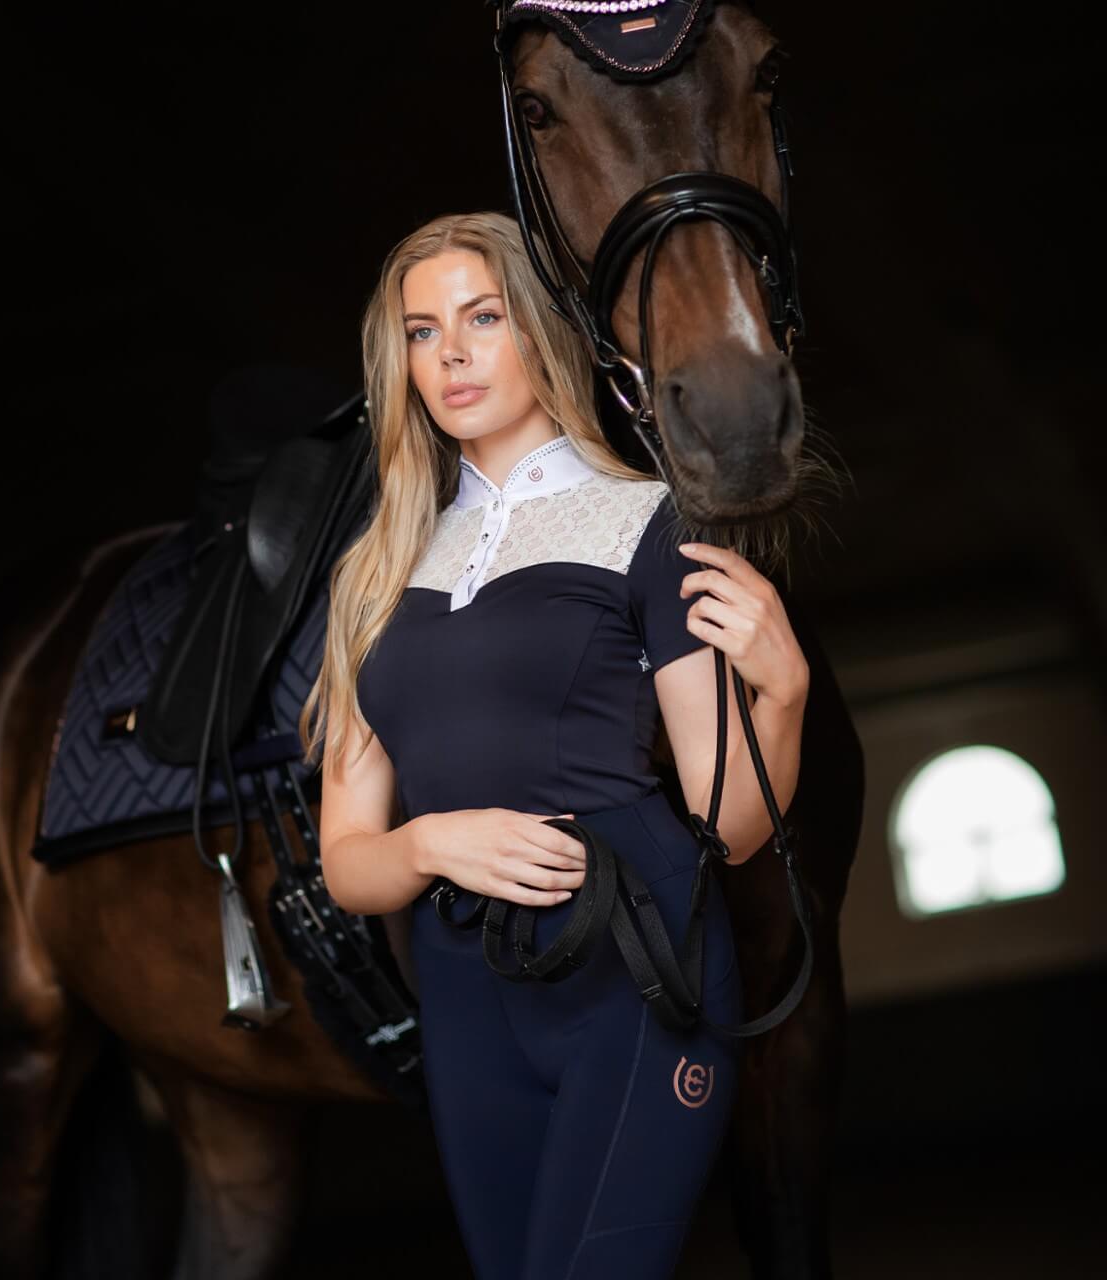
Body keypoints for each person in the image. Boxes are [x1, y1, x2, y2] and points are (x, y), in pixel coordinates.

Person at [299, 211, 809, 1280]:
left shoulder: (651, 522)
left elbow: (725, 825)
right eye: (423, 331)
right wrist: (429, 841)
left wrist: (785, 694)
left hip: (633, 967)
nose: (451, 352)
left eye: (482, 317)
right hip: (464, 996)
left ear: (538, 328)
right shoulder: (371, 572)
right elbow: (347, 862)